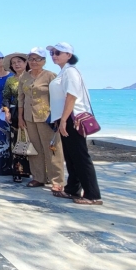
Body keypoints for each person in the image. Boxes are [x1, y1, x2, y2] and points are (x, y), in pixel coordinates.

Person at [48, 42, 102, 205]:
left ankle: (92, 195)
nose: (54, 56)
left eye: (58, 52)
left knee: (80, 156)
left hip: (72, 118)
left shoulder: (71, 72)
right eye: (52, 53)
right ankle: (72, 189)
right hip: (64, 118)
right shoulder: (63, 72)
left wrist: (64, 120)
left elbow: (71, 96)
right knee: (71, 156)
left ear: (69, 55)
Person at [18, 47, 63, 191]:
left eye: (37, 59)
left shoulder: (50, 76)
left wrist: (58, 117)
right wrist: (20, 117)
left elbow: (58, 98)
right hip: (29, 117)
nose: (34, 62)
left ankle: (57, 180)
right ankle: (38, 177)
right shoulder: (24, 76)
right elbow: (20, 98)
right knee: (35, 149)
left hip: (46, 117)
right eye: (31, 59)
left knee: (52, 149)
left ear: (44, 61)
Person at [1, 52, 31, 183]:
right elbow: (6, 97)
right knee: (16, 142)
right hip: (15, 113)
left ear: (25, 63)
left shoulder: (32, 77)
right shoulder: (10, 80)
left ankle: (37, 172)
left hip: (32, 112)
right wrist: (7, 111)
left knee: (34, 141)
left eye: (19, 61)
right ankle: (18, 171)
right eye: (13, 63)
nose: (16, 64)